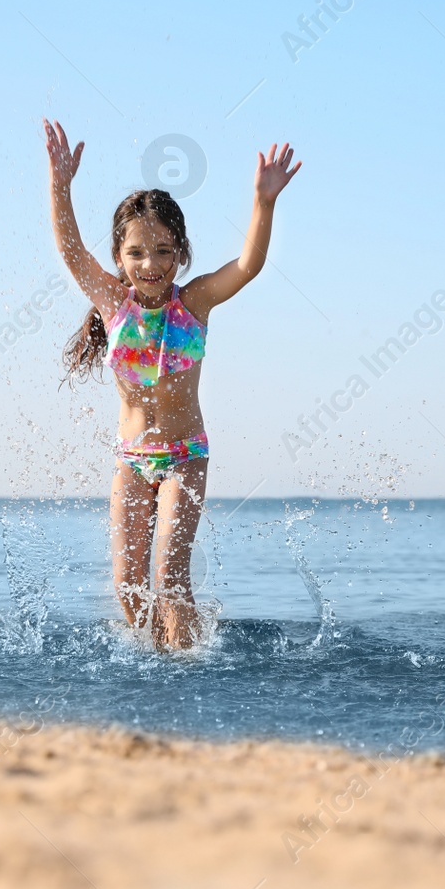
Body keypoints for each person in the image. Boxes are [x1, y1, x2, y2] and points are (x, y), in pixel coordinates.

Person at [45, 120, 301, 650]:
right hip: (130, 459)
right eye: (137, 253)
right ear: (119, 258)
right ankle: (150, 666)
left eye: (164, 251)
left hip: (185, 456)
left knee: (169, 581)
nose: (151, 264)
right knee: (126, 587)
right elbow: (71, 253)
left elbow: (248, 265)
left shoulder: (195, 303)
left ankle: (187, 668)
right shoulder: (113, 304)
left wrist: (264, 202)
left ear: (180, 254)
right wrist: (59, 186)